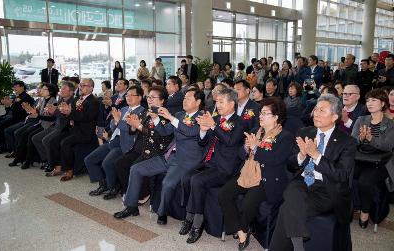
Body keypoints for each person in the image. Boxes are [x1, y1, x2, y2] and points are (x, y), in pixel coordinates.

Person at [269, 94, 356, 251]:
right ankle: (298, 246)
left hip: (327, 190)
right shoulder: (304, 132)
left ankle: (295, 246)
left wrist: (316, 156)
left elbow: (342, 175)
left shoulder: (346, 141)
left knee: (286, 209)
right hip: (302, 184)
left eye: (322, 110)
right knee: (294, 188)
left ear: (335, 116)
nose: (316, 113)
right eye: (316, 109)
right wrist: (302, 155)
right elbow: (290, 165)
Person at [114, 88, 205, 225]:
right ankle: (131, 206)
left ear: (198, 102)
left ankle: (162, 213)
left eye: (188, 98)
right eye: (184, 98)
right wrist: (156, 118)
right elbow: (163, 132)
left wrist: (170, 117)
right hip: (168, 156)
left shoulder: (202, 117)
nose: (184, 101)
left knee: (167, 184)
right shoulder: (180, 114)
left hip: (185, 161)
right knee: (136, 169)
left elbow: (190, 132)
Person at [218, 97, 294, 250]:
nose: (260, 116)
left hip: (268, 178)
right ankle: (240, 229)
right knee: (223, 194)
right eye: (261, 112)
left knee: (247, 204)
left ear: (276, 117)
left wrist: (255, 149)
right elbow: (241, 153)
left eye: (265, 113)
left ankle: (242, 233)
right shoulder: (254, 131)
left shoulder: (284, 137)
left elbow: (275, 159)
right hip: (247, 173)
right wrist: (246, 148)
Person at [179, 88, 245, 244]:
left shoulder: (240, 122)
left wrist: (214, 126)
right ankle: (189, 215)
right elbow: (203, 142)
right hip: (209, 162)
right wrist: (203, 130)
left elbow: (230, 141)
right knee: (187, 176)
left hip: (225, 168)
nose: (218, 105)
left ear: (232, 103)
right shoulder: (215, 118)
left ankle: (196, 224)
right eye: (217, 102)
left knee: (197, 181)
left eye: (221, 102)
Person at [85, 85, 145, 200]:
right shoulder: (123, 109)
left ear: (140, 97)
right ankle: (103, 184)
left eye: (132, 95)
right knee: (90, 159)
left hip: (125, 144)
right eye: (127, 95)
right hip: (112, 140)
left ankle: (113, 187)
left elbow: (131, 130)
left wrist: (117, 121)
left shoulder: (141, 112)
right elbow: (113, 125)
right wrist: (113, 124)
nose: (128, 97)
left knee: (107, 163)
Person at [113, 86, 173, 199]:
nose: (149, 99)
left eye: (153, 97)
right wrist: (133, 126)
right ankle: (128, 191)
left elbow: (157, 135)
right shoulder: (146, 112)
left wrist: (139, 126)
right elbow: (133, 131)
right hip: (140, 147)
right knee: (120, 164)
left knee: (134, 166)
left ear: (162, 100)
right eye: (149, 97)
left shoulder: (165, 115)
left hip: (155, 150)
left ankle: (141, 194)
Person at [351, 89, 394, 229]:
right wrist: (361, 138)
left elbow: (388, 146)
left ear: (382, 103)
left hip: (380, 163)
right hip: (361, 159)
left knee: (365, 181)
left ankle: (365, 211)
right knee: (346, 174)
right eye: (368, 100)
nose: (369, 103)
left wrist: (371, 139)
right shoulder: (361, 120)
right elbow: (352, 142)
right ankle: (349, 207)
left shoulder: (390, 124)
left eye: (373, 100)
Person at [58, 78, 100, 181]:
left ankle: (69, 170)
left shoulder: (94, 101)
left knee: (65, 143)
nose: (81, 87)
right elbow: (71, 116)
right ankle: (59, 166)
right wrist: (65, 112)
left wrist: (69, 113)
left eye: (84, 85)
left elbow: (86, 117)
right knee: (56, 139)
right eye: (80, 85)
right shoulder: (76, 99)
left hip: (86, 132)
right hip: (74, 129)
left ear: (91, 88)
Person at [17, 83, 58, 169]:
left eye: (44, 89)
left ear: (50, 91)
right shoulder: (43, 100)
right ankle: (32, 159)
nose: (41, 90)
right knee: (27, 134)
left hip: (49, 126)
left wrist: (37, 115)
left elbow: (52, 119)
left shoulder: (54, 102)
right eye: (41, 89)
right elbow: (38, 114)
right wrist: (31, 111)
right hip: (41, 123)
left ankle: (42, 160)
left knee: (32, 136)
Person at [41, 81, 75, 175]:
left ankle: (56, 166)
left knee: (51, 141)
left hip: (67, 128)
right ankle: (52, 164)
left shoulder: (73, 101)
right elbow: (57, 113)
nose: (62, 90)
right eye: (61, 88)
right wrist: (51, 110)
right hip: (58, 126)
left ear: (71, 92)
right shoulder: (61, 100)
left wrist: (54, 111)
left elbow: (67, 117)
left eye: (64, 88)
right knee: (47, 140)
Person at [0, 81, 35, 154]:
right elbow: (12, 110)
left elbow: (23, 111)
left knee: (0, 126)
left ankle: (3, 147)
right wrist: (7, 106)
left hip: (21, 118)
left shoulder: (26, 97)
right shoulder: (18, 96)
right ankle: (1, 145)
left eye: (16, 86)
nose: (14, 88)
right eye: (13, 86)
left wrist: (10, 105)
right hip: (14, 117)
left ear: (22, 87)